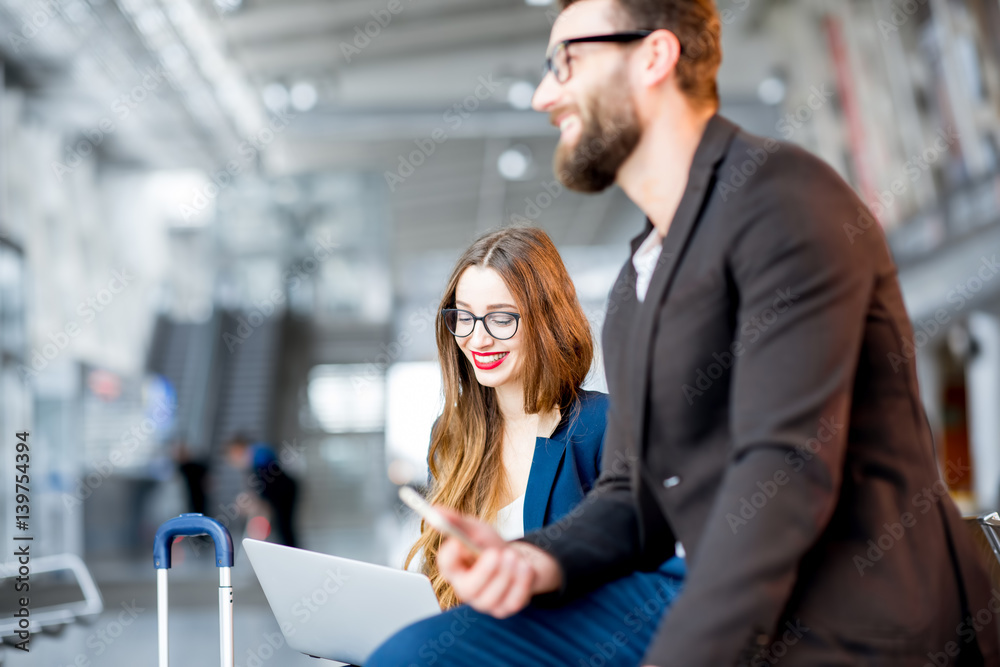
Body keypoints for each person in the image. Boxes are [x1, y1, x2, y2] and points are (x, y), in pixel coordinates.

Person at [370, 0, 999, 665]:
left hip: (847, 617)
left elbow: (784, 475)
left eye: (567, 63)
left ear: (654, 56)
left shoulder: (782, 203)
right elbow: (633, 493)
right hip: (709, 598)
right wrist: (532, 560)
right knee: (415, 653)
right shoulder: (636, 282)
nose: (543, 94)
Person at [385, 227, 685, 654]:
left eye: (502, 318)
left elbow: (640, 573)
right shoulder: (450, 433)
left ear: (548, 320)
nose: (478, 337)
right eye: (464, 316)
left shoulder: (604, 425)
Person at [225, 433, 299, 548]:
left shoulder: (257, 453)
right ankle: (291, 550)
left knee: (284, 525)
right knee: (283, 526)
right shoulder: (254, 454)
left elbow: (268, 479)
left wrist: (260, 499)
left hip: (285, 491)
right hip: (281, 490)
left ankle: (293, 552)